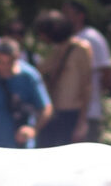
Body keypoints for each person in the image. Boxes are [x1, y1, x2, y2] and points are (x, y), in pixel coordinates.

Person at [0, 35, 49, 148]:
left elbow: (46, 108)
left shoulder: (29, 76)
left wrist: (33, 129)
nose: (4, 67)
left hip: (20, 146)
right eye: (0, 62)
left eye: (9, 62)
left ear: (17, 58)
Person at [34, 9, 94, 147]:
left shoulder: (81, 48)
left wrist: (82, 122)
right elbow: (39, 71)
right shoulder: (55, 50)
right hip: (52, 113)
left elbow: (87, 85)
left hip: (71, 113)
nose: (42, 38)